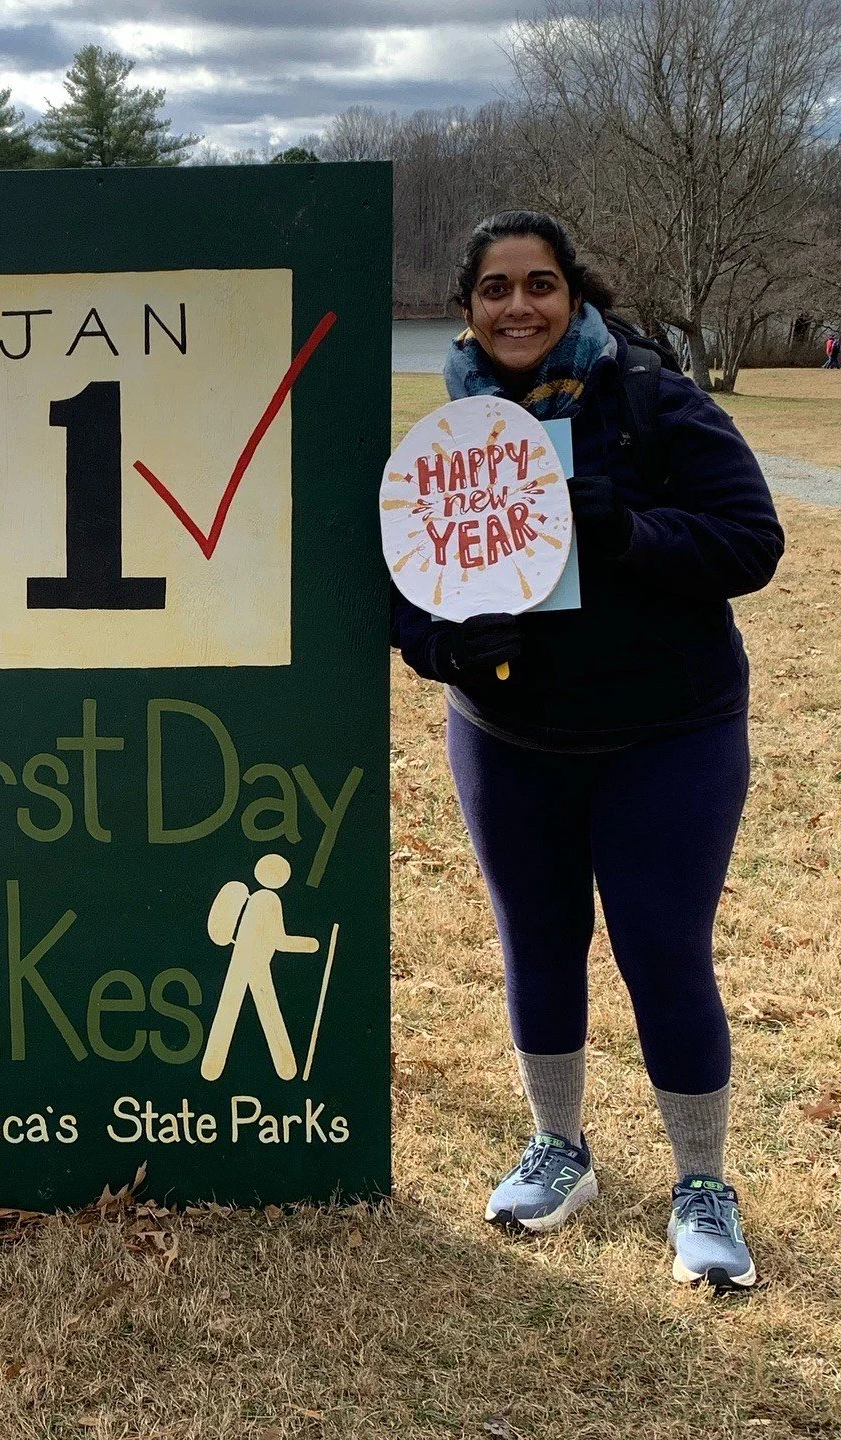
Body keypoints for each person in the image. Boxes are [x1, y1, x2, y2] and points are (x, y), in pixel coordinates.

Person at [392, 211, 783, 1291]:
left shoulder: (655, 400)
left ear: (574, 295)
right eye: (495, 289)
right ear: (467, 307)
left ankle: (702, 1183)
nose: (519, 306)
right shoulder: (450, 439)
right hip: (512, 739)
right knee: (539, 944)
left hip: (670, 734)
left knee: (663, 951)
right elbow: (403, 595)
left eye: (541, 285)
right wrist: (445, 648)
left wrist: (627, 532)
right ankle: (560, 1150)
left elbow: (753, 544)